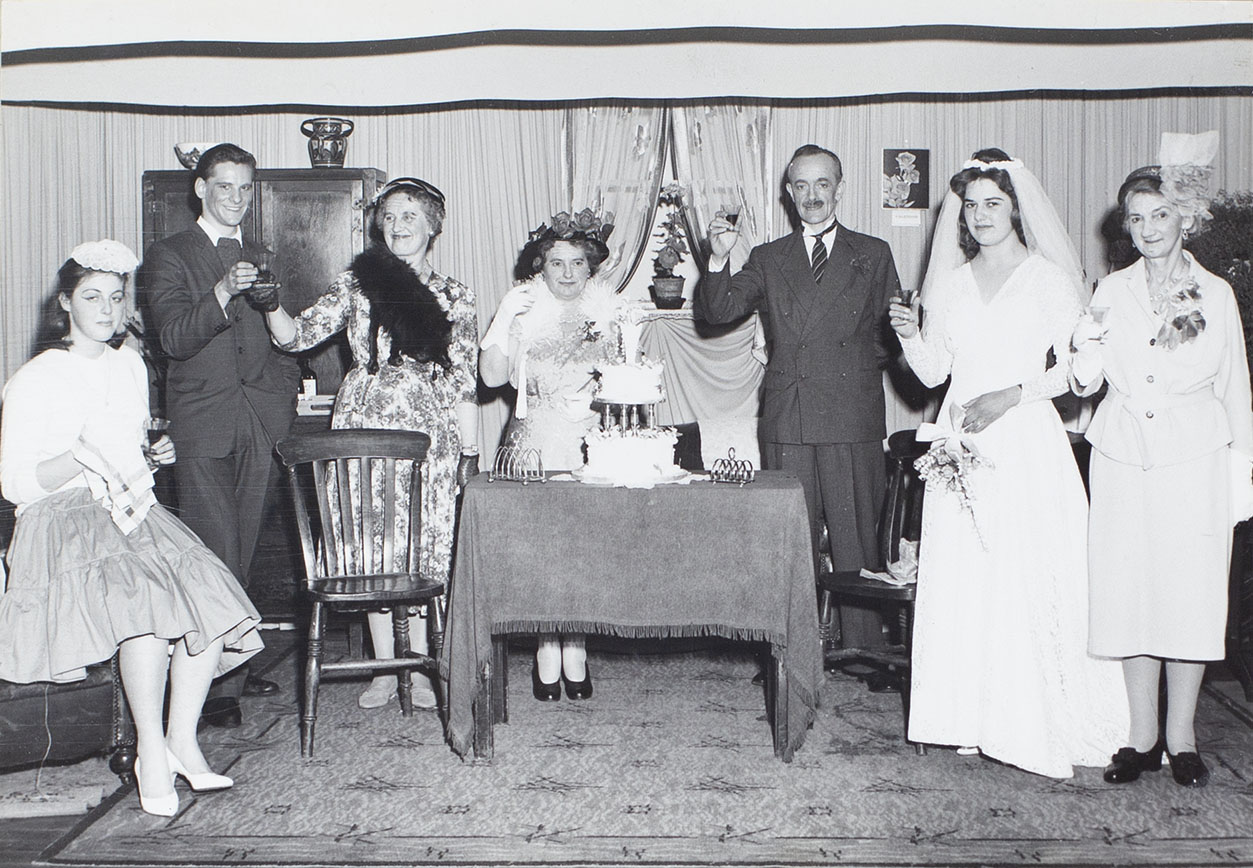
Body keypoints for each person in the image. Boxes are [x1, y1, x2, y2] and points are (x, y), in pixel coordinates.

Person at [0, 240, 263, 816]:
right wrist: (83, 453)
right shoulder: (37, 377)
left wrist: (153, 453)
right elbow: (17, 486)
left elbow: (133, 449)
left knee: (208, 598)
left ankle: (181, 743)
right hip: (61, 519)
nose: (106, 309)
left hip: (128, 507)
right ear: (64, 303)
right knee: (145, 613)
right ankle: (149, 752)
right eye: (91, 296)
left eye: (116, 298)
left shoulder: (129, 366)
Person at [887, 148, 1127, 778]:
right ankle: (969, 715)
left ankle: (1031, 718)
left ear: (1016, 208)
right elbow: (936, 374)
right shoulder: (948, 283)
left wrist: (1012, 394)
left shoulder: (1048, 279)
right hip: (961, 443)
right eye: (971, 205)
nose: (981, 214)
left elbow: (1074, 372)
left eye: (993, 202)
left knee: (1025, 574)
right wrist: (910, 334)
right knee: (967, 575)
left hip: (1023, 441)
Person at [1071, 132, 1253, 788]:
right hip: (1121, 456)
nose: (1147, 229)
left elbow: (1235, 387)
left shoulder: (1215, 295)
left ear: (1184, 218)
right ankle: (1140, 737)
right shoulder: (1109, 290)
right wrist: (1080, 351)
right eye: (1136, 218)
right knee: (1129, 595)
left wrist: (1240, 478)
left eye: (1159, 215)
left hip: (1194, 460)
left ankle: (1181, 738)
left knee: (1187, 596)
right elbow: (1085, 384)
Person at [265, 177, 479, 710]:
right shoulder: (358, 285)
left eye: (410, 216)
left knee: (425, 542)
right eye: (389, 216)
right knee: (372, 540)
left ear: (433, 226)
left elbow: (464, 380)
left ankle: (426, 669)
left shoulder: (455, 296)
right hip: (361, 420)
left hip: (427, 430)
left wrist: (465, 449)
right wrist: (269, 303)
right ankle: (385, 669)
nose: (398, 225)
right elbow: (296, 335)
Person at [696, 144, 900, 690]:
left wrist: (845, 371)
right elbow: (718, 312)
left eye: (822, 185)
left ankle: (861, 648)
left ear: (840, 187)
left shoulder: (873, 253)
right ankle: (792, 650)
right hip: (789, 413)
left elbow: (891, 340)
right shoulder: (767, 257)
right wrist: (719, 258)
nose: (812, 196)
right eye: (801, 186)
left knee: (857, 532)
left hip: (851, 410)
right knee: (791, 536)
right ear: (788, 193)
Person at [139, 143, 294, 727]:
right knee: (214, 550)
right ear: (200, 189)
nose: (236, 198)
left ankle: (234, 663)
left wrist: (279, 387)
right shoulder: (169, 254)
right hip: (202, 422)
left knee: (245, 547)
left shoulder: (259, 251)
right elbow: (176, 339)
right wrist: (225, 290)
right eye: (225, 186)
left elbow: (279, 338)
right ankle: (213, 690)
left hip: (259, 419)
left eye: (245, 188)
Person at [480, 210, 624, 700]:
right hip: (536, 442)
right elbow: (493, 378)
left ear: (591, 269)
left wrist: (598, 399)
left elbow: (631, 387)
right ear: (540, 267)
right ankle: (546, 647)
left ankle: (577, 648)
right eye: (556, 263)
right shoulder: (524, 311)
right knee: (541, 549)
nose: (566, 273)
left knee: (582, 549)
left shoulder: (609, 316)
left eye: (576, 263)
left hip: (589, 443)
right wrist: (503, 314)